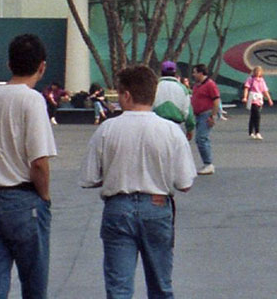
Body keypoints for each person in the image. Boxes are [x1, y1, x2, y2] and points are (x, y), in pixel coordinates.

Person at [80, 64, 197, 299]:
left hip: (118, 208)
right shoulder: (171, 131)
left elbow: (89, 178)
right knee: (161, 286)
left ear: (126, 95)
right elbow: (185, 183)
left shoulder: (106, 130)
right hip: (157, 206)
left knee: (119, 288)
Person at [0, 34, 58, 299]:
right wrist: (44, 197)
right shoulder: (32, 101)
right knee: (34, 285)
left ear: (9, 64)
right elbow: (39, 162)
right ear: (42, 66)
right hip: (23, 202)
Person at [190, 64, 221, 175]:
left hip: (206, 114)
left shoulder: (210, 85)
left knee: (202, 138)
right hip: (198, 115)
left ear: (201, 73)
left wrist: (212, 116)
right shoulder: (197, 85)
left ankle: (209, 164)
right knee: (200, 139)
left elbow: (216, 101)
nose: (193, 75)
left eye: (195, 72)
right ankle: (207, 163)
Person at [152, 61, 195, 140]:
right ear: (175, 73)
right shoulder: (183, 88)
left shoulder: (154, 86)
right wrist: (190, 128)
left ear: (162, 72)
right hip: (176, 127)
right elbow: (188, 112)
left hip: (156, 127)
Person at [242, 66, 274, 140]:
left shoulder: (262, 80)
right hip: (253, 98)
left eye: (259, 71)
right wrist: (245, 97)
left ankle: (250, 132)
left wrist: (269, 99)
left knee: (253, 116)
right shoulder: (250, 79)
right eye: (256, 71)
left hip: (259, 98)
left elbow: (265, 90)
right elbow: (246, 88)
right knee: (257, 115)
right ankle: (257, 132)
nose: (257, 73)